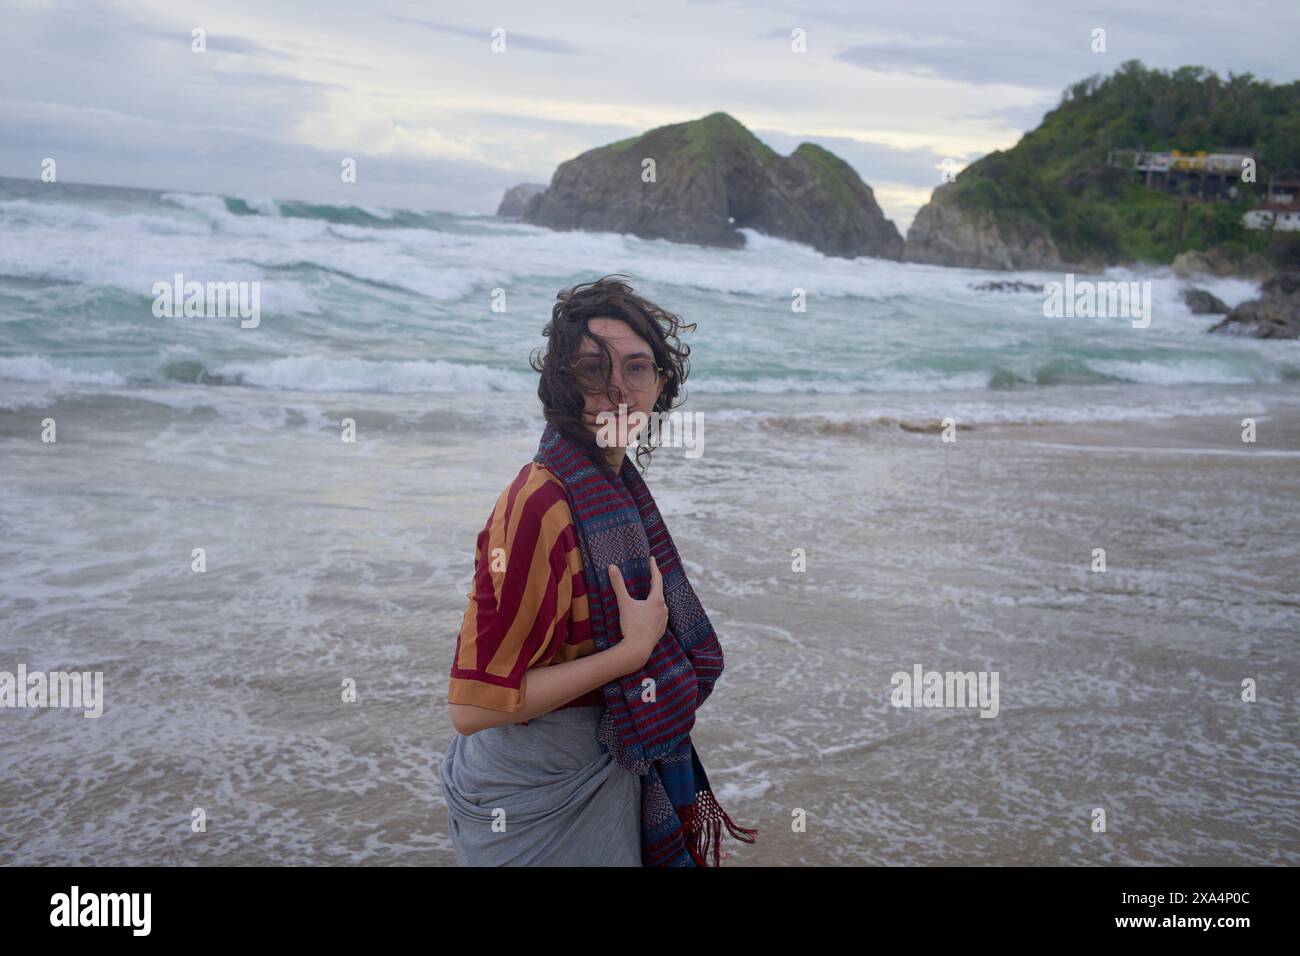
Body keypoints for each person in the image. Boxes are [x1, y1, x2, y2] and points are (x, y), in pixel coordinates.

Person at [438, 274, 758, 866]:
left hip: (602, 765)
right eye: (593, 369)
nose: (618, 390)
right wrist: (629, 654)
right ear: (562, 383)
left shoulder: (615, 490)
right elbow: (472, 708)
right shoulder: (540, 504)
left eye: (637, 369)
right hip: (539, 797)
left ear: (660, 385)